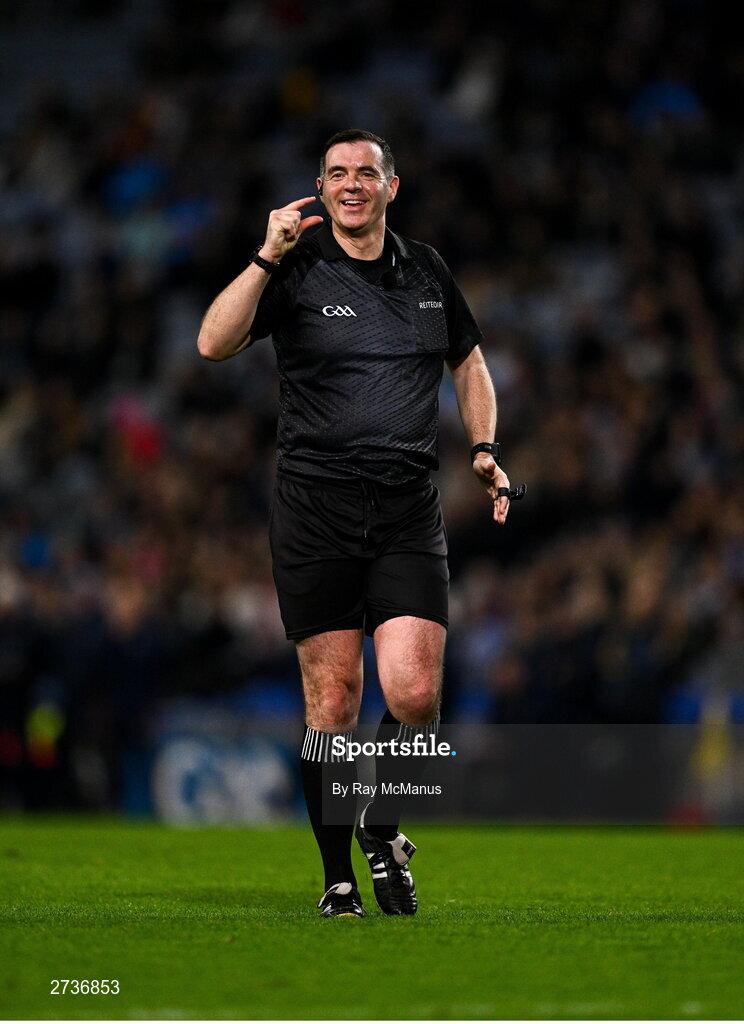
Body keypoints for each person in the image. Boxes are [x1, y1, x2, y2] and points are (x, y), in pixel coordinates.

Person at [197, 128, 513, 919]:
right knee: (333, 703)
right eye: (336, 173)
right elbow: (212, 342)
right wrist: (266, 253)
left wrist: (482, 447)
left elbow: (469, 363)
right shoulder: (296, 267)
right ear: (321, 185)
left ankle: (382, 827)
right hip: (315, 511)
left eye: (365, 173)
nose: (350, 184)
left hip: (408, 509)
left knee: (414, 693)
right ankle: (339, 878)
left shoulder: (428, 271)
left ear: (390, 187)